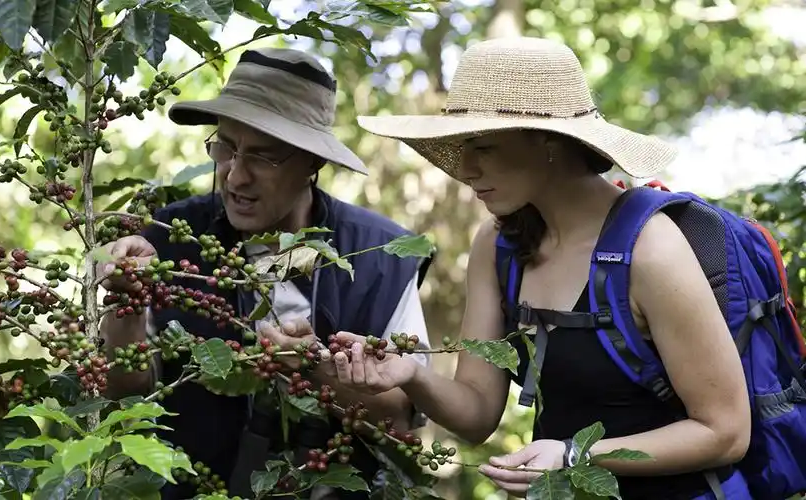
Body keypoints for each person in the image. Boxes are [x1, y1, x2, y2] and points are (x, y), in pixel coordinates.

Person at [325, 37, 759, 499]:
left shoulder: (650, 249)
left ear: (549, 141)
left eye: (482, 146)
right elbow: (476, 414)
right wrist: (411, 374)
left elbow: (726, 431)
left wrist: (574, 456)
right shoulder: (499, 245)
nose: (465, 168)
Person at [97, 47, 434, 500]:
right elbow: (124, 391)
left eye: (264, 157)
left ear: (312, 162)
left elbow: (398, 420)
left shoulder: (380, 257)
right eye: (225, 149)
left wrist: (317, 369)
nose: (235, 177)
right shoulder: (173, 239)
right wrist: (126, 301)